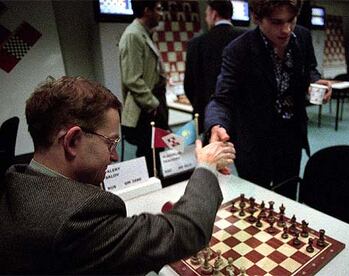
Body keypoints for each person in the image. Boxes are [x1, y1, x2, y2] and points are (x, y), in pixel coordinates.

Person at [0, 76, 236, 274]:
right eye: (111, 143)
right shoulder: (77, 216)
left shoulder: (15, 180)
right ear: (72, 141)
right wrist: (206, 165)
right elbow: (186, 232)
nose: (114, 156)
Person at [204, 0, 332, 200]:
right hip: (255, 143)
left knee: (287, 199)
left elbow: (310, 69)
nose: (286, 29)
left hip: (291, 137)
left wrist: (316, 82)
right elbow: (221, 99)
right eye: (276, 22)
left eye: (291, 20)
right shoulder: (239, 50)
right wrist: (216, 125)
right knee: (256, 203)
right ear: (256, 18)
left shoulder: (303, 37)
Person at [119, 0, 168, 176]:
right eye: (158, 9)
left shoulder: (143, 33)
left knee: (155, 151)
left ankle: (157, 182)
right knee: (149, 155)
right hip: (145, 110)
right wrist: (153, 104)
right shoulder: (133, 35)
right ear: (147, 11)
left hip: (151, 105)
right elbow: (132, 79)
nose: (161, 13)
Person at [184, 0, 244, 132]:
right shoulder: (246, 39)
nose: (206, 19)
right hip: (243, 119)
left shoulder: (196, 44)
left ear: (213, 14)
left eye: (206, 14)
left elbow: (189, 85)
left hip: (207, 119)